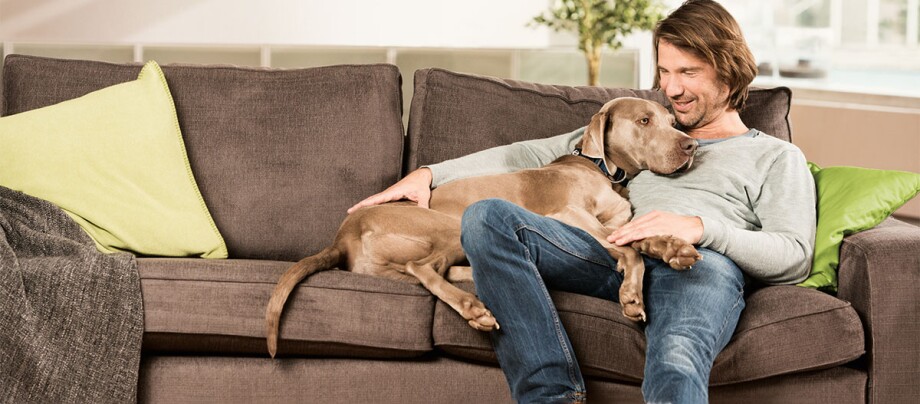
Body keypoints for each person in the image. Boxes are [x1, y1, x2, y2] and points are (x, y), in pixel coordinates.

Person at [348, 0, 816, 402]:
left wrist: (700, 228)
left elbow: (794, 256)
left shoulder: (774, 156)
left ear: (729, 72)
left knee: (675, 356)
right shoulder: (639, 128)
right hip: (602, 251)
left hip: (695, 263)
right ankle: (551, 394)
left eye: (688, 73)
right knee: (486, 217)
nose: (671, 90)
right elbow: (525, 154)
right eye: (665, 72)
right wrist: (429, 174)